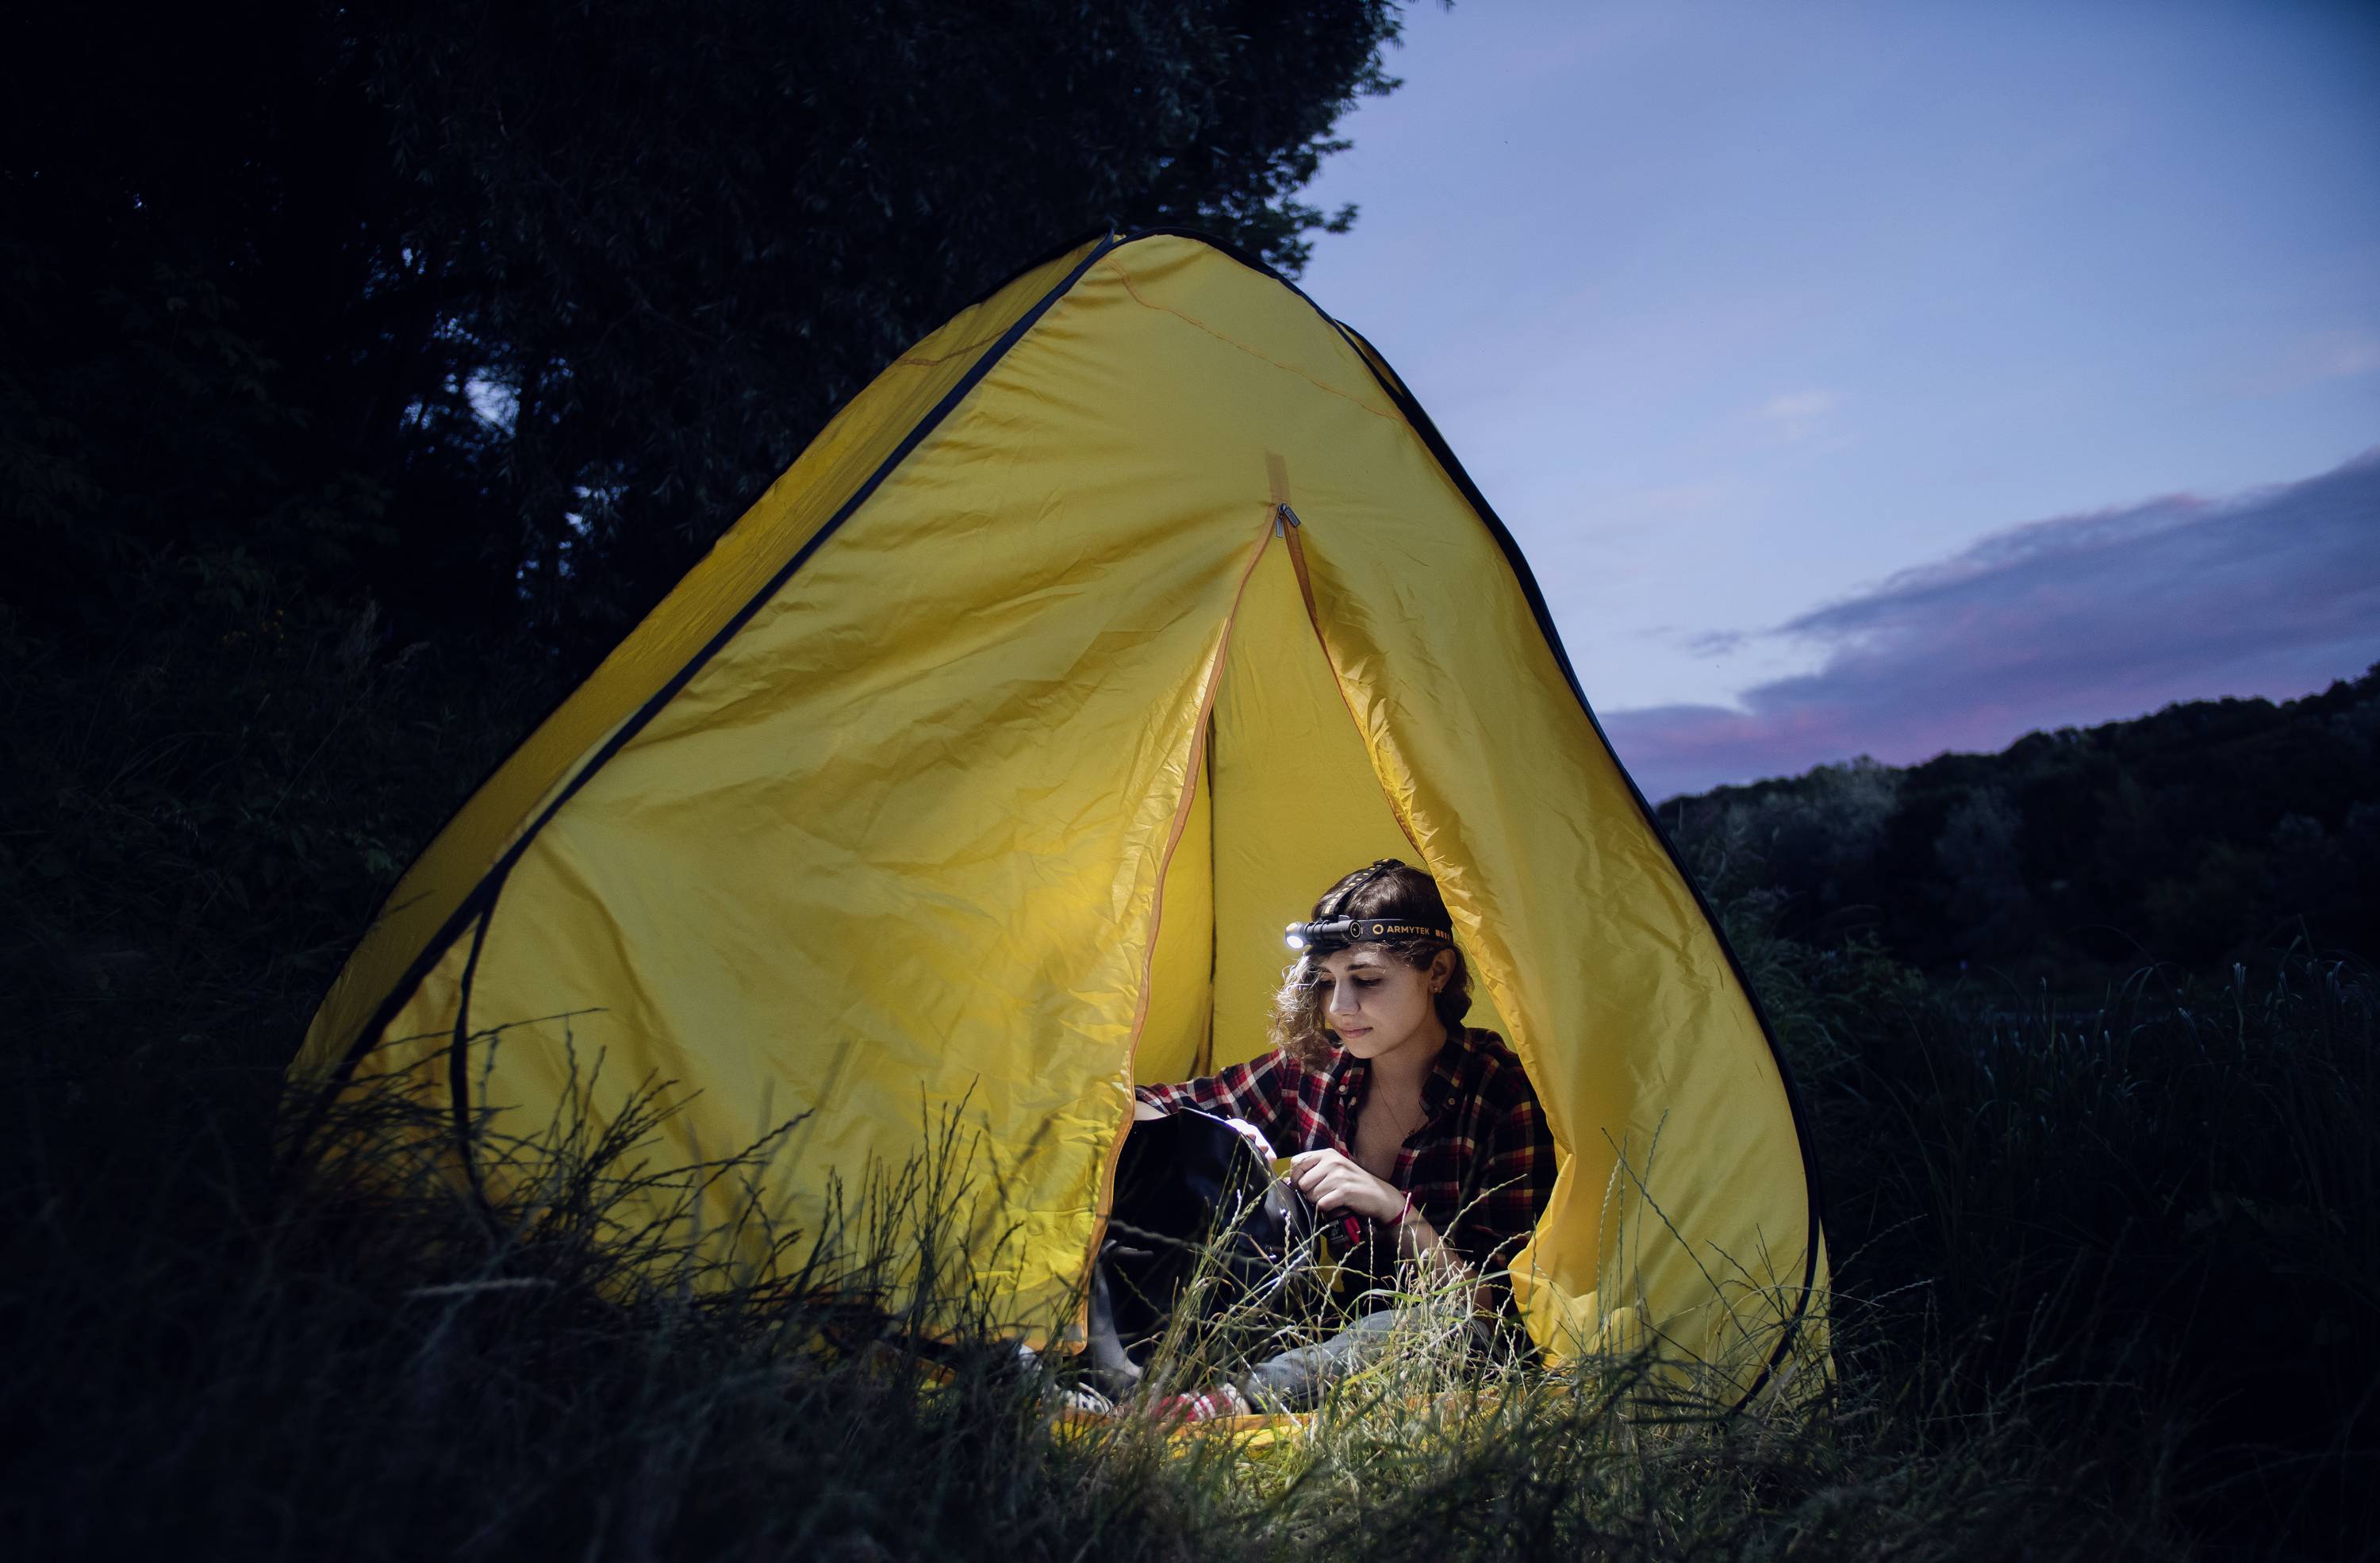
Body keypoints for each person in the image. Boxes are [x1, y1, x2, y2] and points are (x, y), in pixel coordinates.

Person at [1127, 858, 1557, 1419]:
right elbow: (1145, 1107)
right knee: (1165, 1165)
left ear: (1439, 972)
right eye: (1326, 982)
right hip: (1316, 1320)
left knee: (1420, 1326)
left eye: (1367, 980)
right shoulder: (1315, 1071)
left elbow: (1492, 1309)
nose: (1339, 1009)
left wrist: (1393, 1209)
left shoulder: (1501, 1095)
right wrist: (1225, 1137)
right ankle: (1108, 1369)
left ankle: (1222, 1406)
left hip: (1443, 1334)